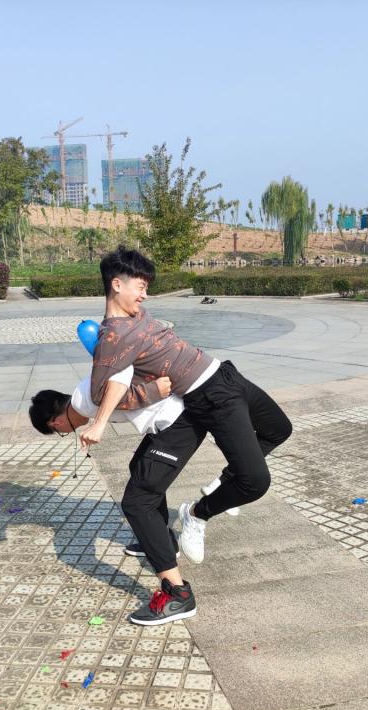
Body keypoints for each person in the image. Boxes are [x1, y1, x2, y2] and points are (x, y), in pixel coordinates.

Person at [75, 246, 292, 621]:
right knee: (256, 482)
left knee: (279, 429)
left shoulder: (136, 314)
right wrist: (108, 417)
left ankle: (220, 485)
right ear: (116, 284)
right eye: (140, 286)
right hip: (210, 399)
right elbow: (103, 390)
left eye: (146, 287)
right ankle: (196, 514)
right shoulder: (112, 336)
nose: (145, 295)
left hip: (225, 374)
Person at [29, 364, 238, 626]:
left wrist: (101, 423)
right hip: (168, 423)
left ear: (55, 422)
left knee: (137, 503)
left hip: (180, 424)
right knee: (138, 468)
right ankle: (163, 541)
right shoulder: (83, 398)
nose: (65, 432)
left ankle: (178, 594)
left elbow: (120, 372)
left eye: (60, 432)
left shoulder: (83, 400)